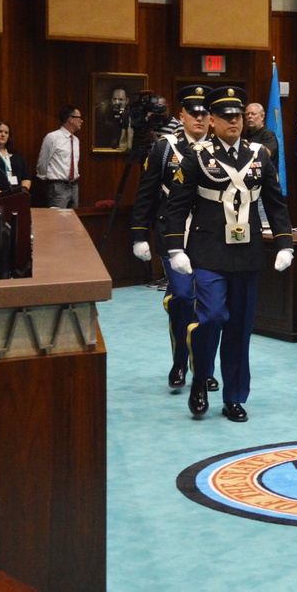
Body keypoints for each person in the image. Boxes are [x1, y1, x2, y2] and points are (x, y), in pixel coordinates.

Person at [164, 86, 293, 423]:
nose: (234, 121)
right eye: (226, 116)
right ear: (212, 120)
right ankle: (200, 378)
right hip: (207, 252)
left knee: (239, 329)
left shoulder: (259, 155)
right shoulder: (197, 156)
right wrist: (175, 247)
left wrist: (284, 243)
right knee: (210, 318)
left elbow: (275, 202)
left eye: (237, 115)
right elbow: (177, 205)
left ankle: (234, 397)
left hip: (247, 253)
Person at [130, 84, 211, 391]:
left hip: (207, 237)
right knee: (182, 297)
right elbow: (146, 193)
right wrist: (139, 235)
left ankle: (202, 367)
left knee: (207, 304)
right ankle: (180, 361)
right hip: (172, 233)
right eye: (194, 113)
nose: (200, 119)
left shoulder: (218, 149)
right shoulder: (166, 148)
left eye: (205, 113)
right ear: (182, 116)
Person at [36, 106, 83, 208]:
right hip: (58, 187)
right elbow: (42, 163)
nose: (81, 121)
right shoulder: (52, 137)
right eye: (79, 117)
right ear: (71, 119)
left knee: (73, 220)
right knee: (57, 221)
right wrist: (49, 182)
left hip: (74, 186)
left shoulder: (76, 140)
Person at [0, 121, 32, 191]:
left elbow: (26, 177)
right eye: (0, 131)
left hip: (17, 196)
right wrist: (0, 194)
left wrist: (23, 193)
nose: (3, 135)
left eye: (6, 132)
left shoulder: (16, 154)